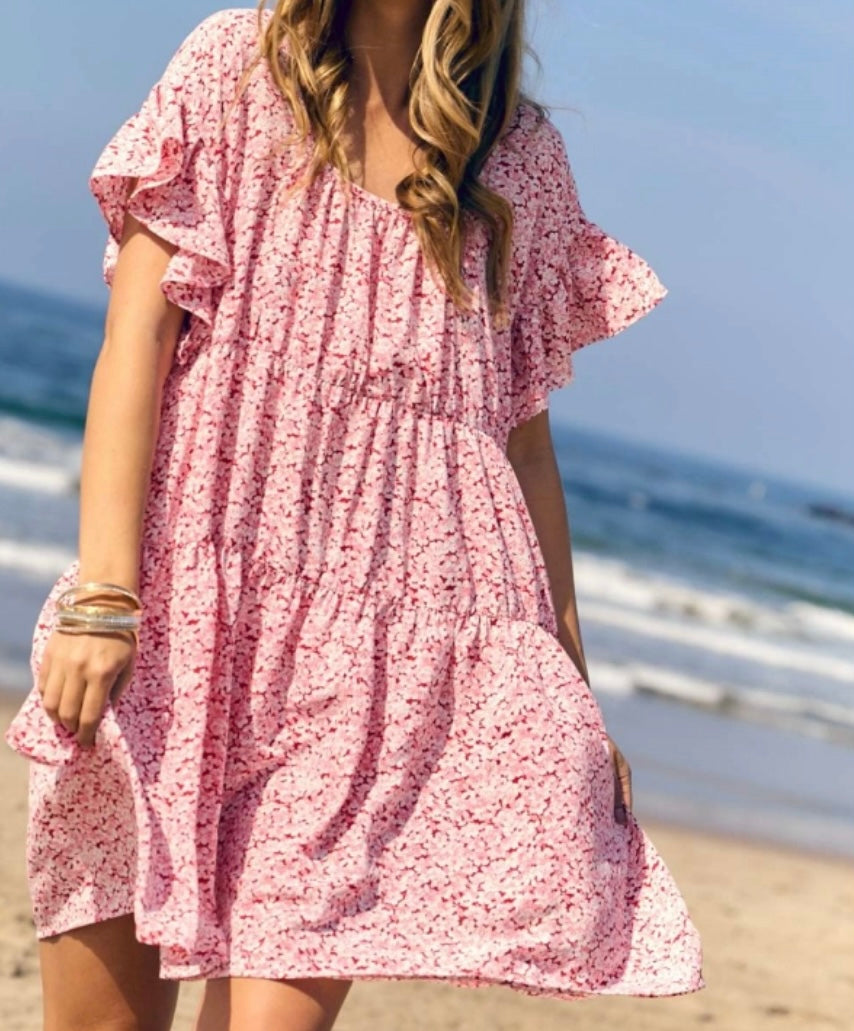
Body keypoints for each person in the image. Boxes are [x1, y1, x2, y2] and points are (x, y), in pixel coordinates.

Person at [5, 2, 705, 1028]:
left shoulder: (515, 159)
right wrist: (106, 594)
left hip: (381, 672)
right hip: (183, 615)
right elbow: (136, 343)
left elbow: (519, 442)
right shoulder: (230, 70)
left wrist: (570, 686)